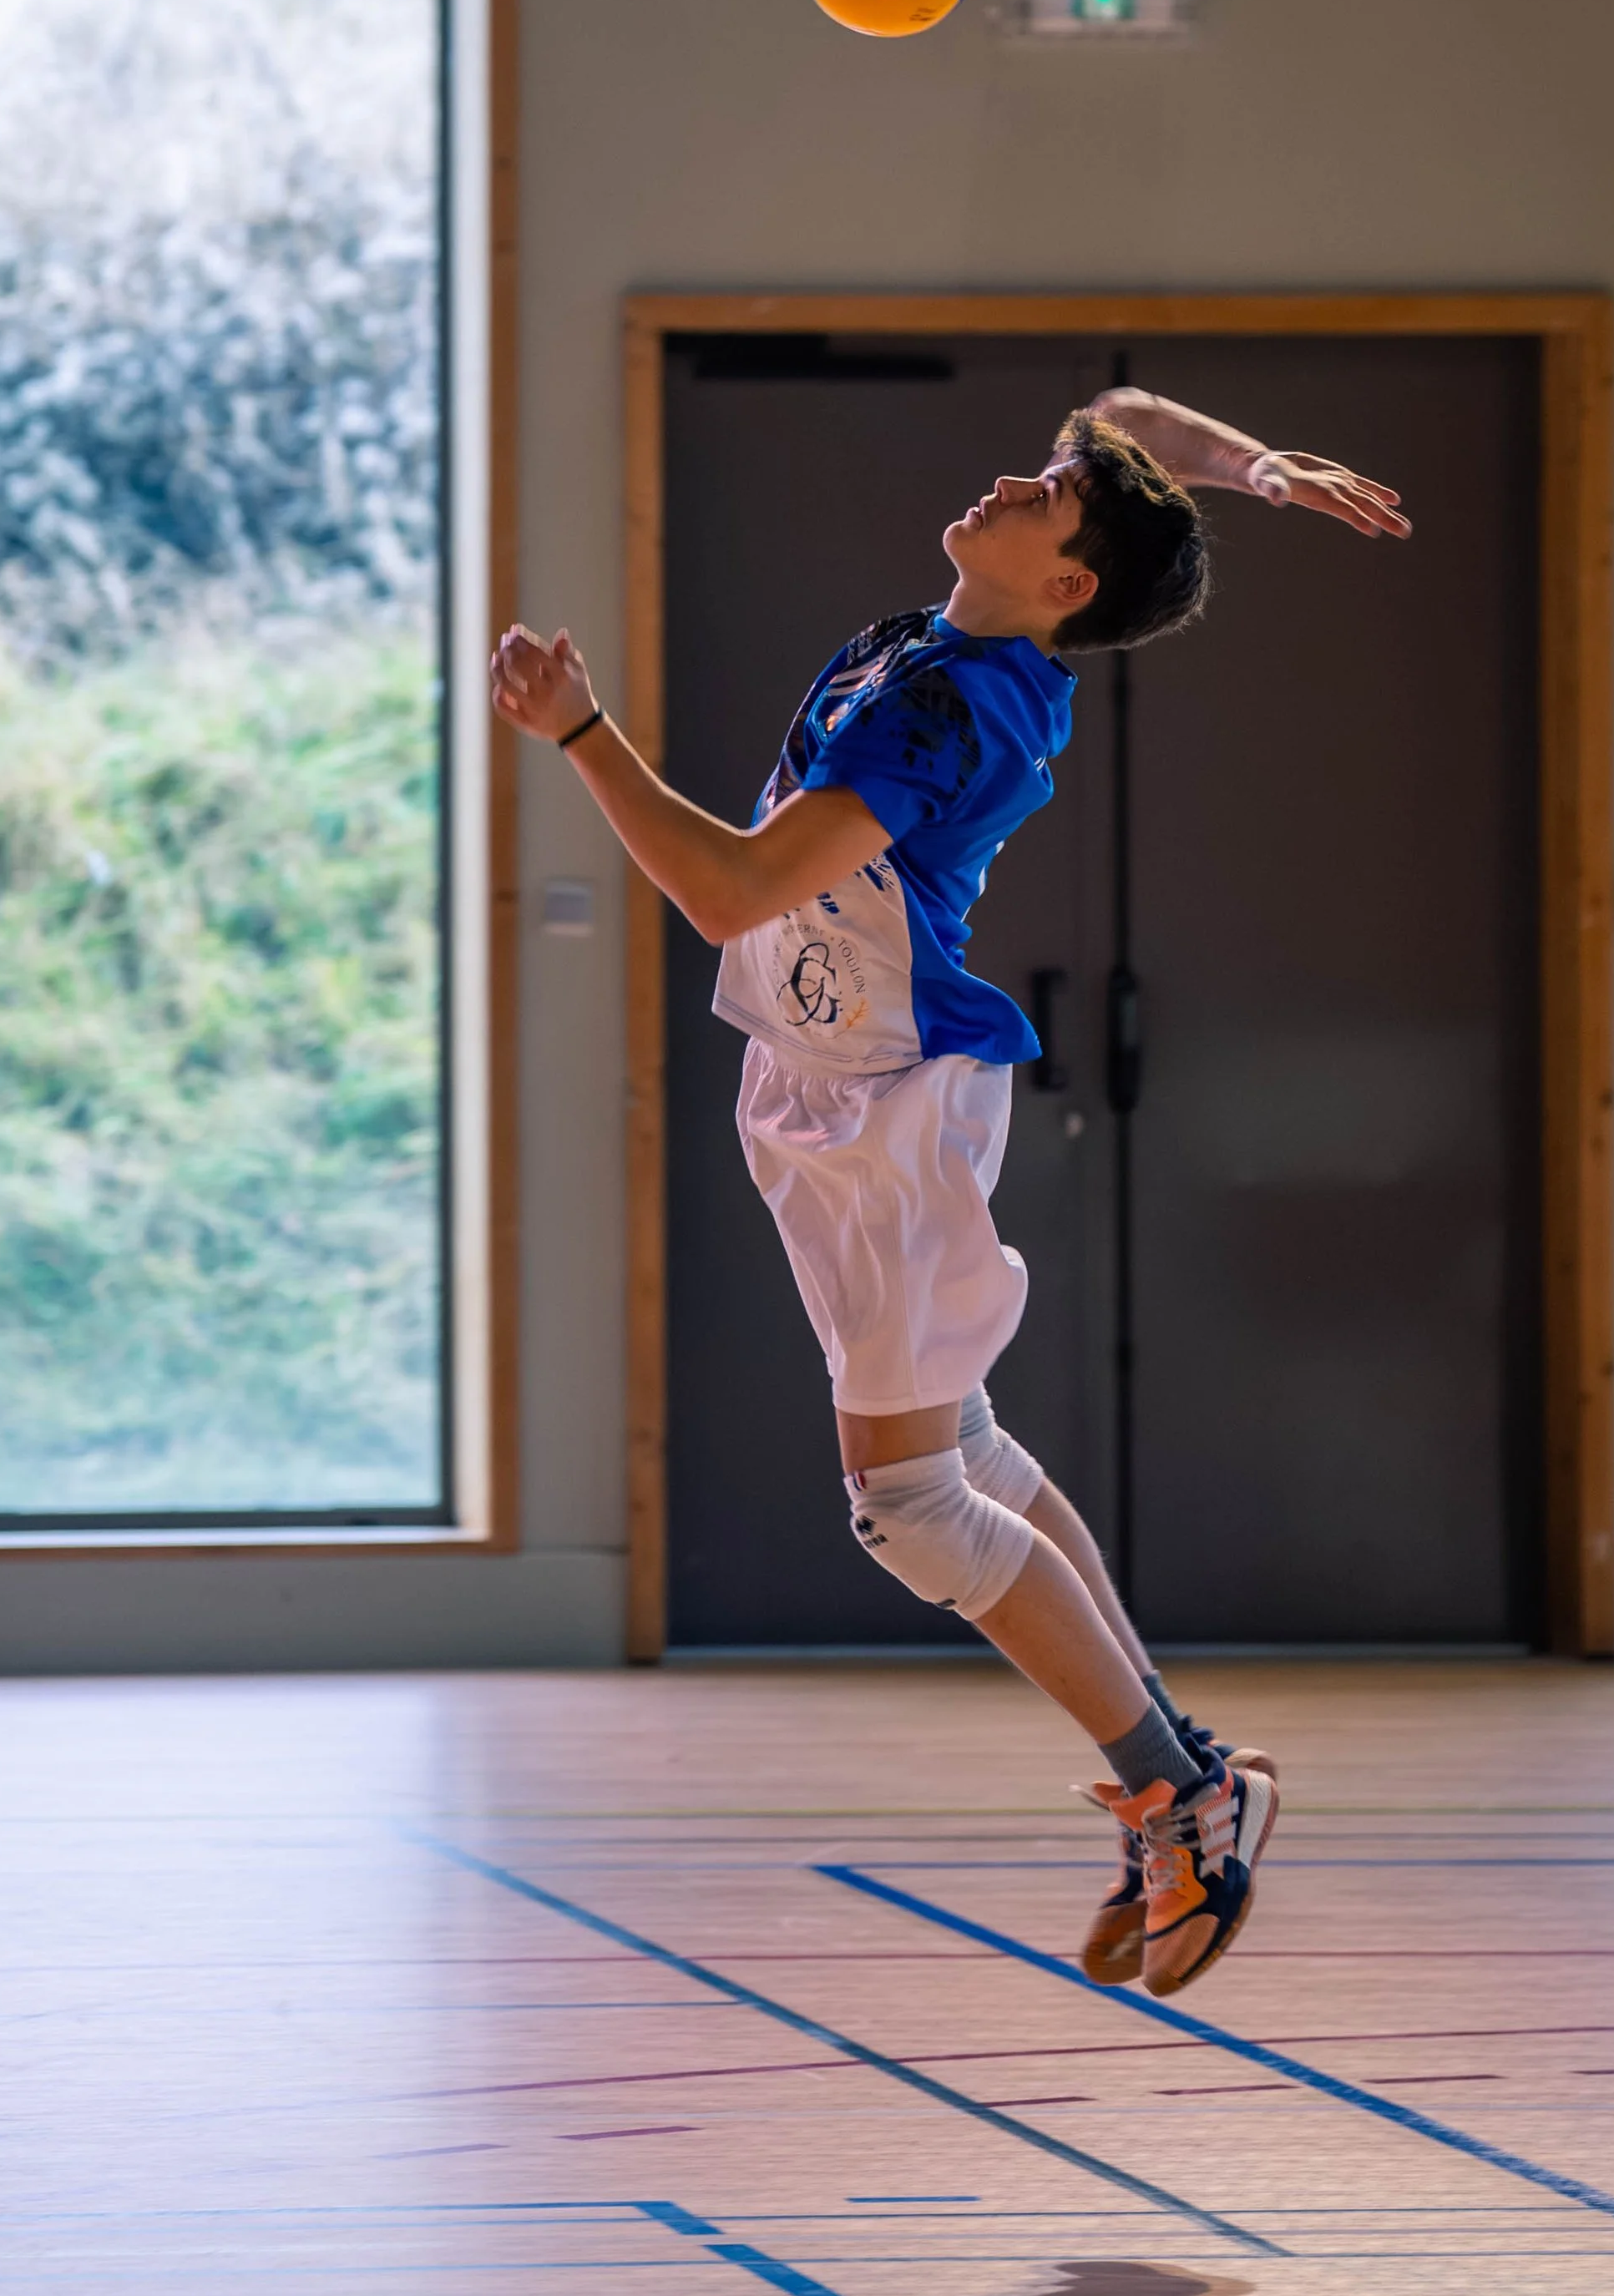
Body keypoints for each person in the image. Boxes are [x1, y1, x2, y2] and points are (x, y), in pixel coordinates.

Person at [492, 384, 1409, 1993]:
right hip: (826, 1081)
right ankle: (1181, 1763)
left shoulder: (957, 707)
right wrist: (1248, 464)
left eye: (1048, 497)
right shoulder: (957, 640)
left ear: (1068, 586)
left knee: (909, 1508)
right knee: (961, 1452)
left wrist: (581, 734)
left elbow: (725, 889)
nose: (1010, 475)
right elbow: (1120, 411)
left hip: (892, 1102)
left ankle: (1182, 1793)